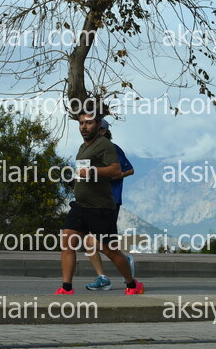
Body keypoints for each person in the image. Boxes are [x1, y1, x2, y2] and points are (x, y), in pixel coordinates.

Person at [54, 111, 143, 295]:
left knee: (110, 251)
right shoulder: (82, 147)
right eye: (81, 123)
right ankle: (66, 288)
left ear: (98, 125)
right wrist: (75, 180)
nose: (84, 127)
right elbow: (85, 172)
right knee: (68, 242)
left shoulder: (106, 145)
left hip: (100, 208)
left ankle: (133, 285)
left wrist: (93, 171)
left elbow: (116, 170)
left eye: (88, 123)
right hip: (80, 206)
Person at [85, 119, 135, 291]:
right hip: (92, 200)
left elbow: (129, 169)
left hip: (109, 201)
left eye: (94, 127)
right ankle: (103, 277)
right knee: (90, 240)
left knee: (96, 241)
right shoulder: (88, 150)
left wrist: (115, 175)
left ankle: (122, 262)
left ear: (103, 131)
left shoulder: (112, 149)